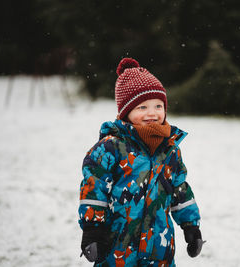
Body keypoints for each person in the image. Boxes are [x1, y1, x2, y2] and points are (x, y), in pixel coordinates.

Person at [78, 58, 203, 266]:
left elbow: (180, 190)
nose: (152, 113)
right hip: (118, 249)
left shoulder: (170, 149)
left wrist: (191, 226)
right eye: (142, 107)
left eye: (158, 105)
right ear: (126, 112)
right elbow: (93, 189)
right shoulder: (111, 148)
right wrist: (92, 230)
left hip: (159, 249)